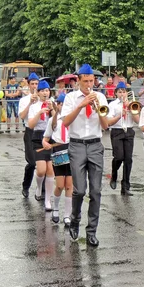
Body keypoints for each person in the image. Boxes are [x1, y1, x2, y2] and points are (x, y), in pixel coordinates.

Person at [60, 64, 109, 247]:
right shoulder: (71, 98)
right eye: (86, 81)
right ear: (78, 81)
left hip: (95, 145)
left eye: (92, 81)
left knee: (95, 191)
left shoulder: (101, 97)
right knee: (79, 190)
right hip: (77, 145)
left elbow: (105, 126)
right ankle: (74, 219)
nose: (89, 84)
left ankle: (91, 232)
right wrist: (81, 105)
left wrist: (97, 108)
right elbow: (65, 122)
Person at [42, 93, 72, 226]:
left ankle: (67, 215)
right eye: (60, 104)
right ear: (57, 105)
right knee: (60, 185)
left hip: (71, 151)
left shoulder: (73, 119)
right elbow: (46, 138)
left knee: (69, 186)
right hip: (59, 151)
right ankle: (55, 209)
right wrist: (45, 143)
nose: (63, 106)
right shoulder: (52, 121)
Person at [27, 79, 55, 210]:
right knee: (41, 170)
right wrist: (39, 113)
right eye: (43, 91)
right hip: (38, 137)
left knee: (50, 170)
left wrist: (52, 111)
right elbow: (31, 125)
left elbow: (57, 123)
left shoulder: (53, 104)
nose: (45, 93)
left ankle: (48, 200)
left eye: (47, 90)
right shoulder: (34, 107)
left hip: (50, 137)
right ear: (37, 93)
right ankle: (39, 188)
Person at [107, 82, 139, 195]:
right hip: (117, 131)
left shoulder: (131, 103)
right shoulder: (112, 105)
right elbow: (109, 123)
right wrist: (120, 114)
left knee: (128, 159)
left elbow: (138, 121)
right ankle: (114, 174)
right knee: (119, 157)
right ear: (116, 93)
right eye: (120, 92)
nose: (122, 94)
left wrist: (131, 108)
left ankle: (125, 186)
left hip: (129, 131)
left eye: (124, 91)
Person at [19, 73, 41, 198]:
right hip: (30, 131)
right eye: (32, 84)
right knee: (32, 162)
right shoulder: (24, 100)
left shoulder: (43, 97)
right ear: (28, 85)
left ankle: (42, 190)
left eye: (36, 84)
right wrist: (30, 104)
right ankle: (26, 186)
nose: (34, 86)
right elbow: (22, 116)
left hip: (42, 131)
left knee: (44, 162)